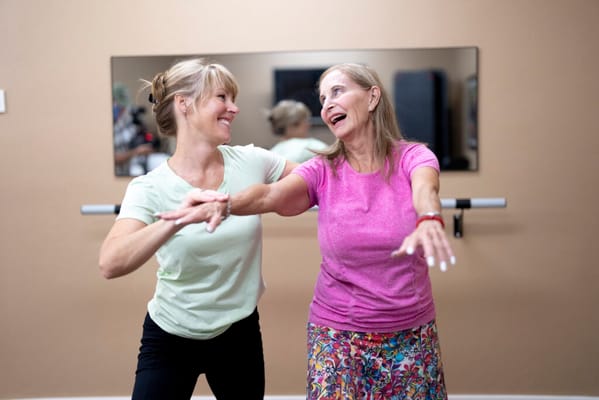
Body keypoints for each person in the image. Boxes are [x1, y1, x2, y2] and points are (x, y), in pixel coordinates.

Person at [158, 63, 456, 399]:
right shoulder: (322, 169)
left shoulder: (413, 157)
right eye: (323, 97)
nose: (327, 104)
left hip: (410, 332)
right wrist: (225, 204)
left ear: (373, 97)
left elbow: (425, 189)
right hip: (336, 333)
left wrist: (429, 217)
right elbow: (271, 194)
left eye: (338, 91)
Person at [99, 58, 296, 400]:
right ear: (184, 103)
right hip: (170, 332)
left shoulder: (252, 162)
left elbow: (318, 178)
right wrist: (178, 219)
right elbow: (111, 262)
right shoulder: (149, 187)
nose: (233, 109)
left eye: (232, 99)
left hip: (239, 331)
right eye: (222, 97)